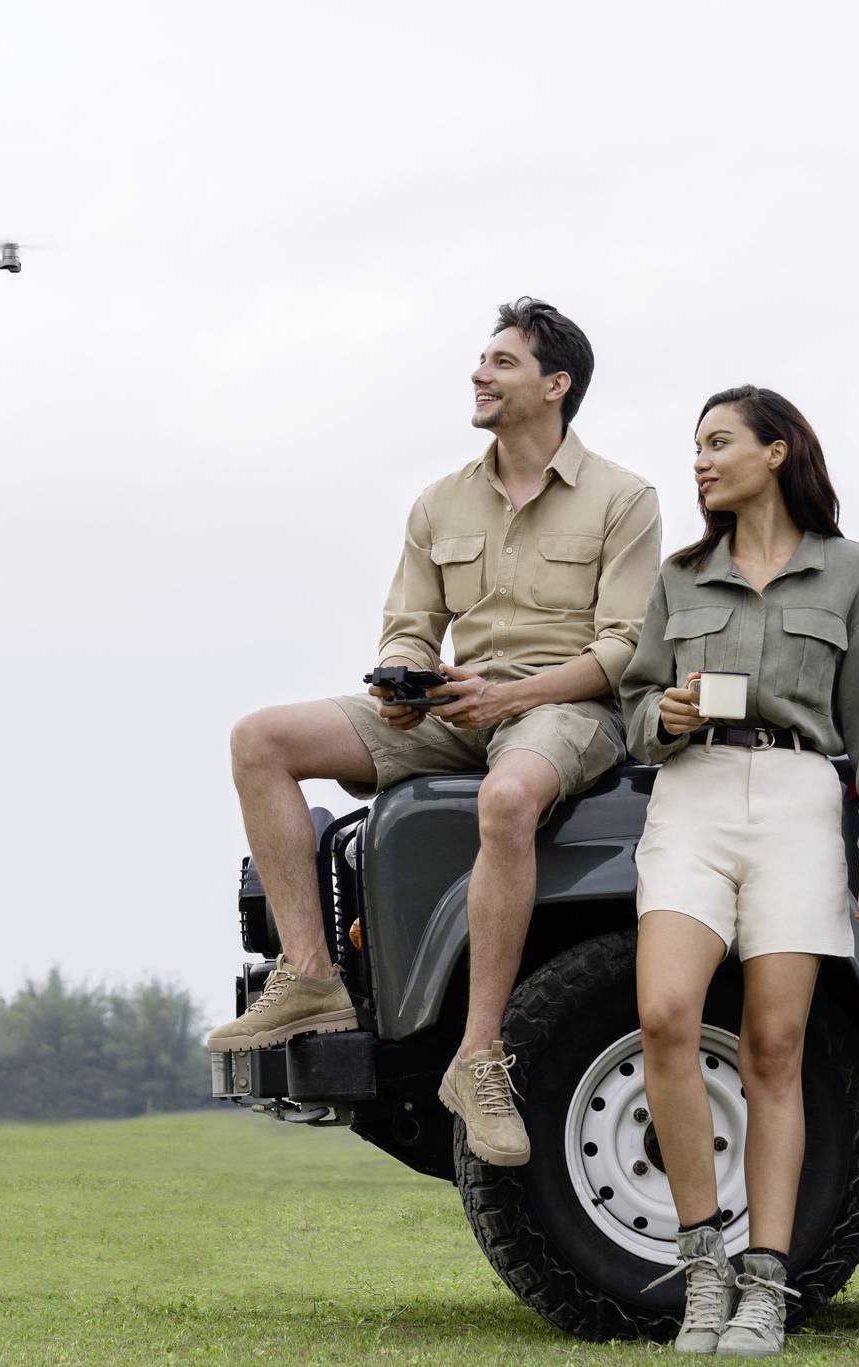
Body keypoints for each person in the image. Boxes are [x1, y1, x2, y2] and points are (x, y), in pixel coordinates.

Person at [205, 296, 662, 1166]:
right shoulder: (439, 502)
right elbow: (411, 626)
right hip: (454, 709)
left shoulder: (623, 497)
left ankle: (478, 1056)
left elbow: (624, 650)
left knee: (509, 796)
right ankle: (311, 977)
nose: (479, 374)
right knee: (259, 739)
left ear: (555, 385)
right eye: (482, 360)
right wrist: (402, 680)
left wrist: (510, 695)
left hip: (567, 709)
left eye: (502, 361)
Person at [616, 386, 859, 1359]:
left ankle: (766, 1286)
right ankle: (706, 1271)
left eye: (718, 441)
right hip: (692, 799)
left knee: (775, 1046)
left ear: (777, 451)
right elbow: (635, 711)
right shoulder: (680, 575)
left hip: (797, 800)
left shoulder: (851, 571)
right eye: (695, 446)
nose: (700, 461)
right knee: (666, 1013)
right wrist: (666, 715)